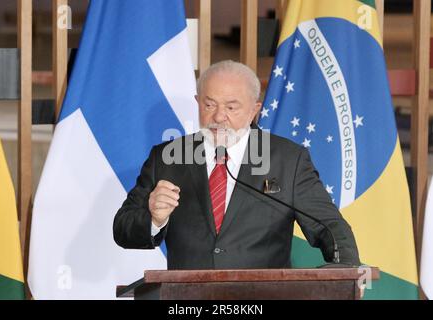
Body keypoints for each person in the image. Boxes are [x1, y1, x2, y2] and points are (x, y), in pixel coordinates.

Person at [113, 60, 360, 269]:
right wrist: (154, 218)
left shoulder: (288, 160)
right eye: (209, 105)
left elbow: (331, 228)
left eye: (231, 107)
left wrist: (347, 273)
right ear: (197, 102)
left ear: (255, 110)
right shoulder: (168, 157)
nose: (219, 117)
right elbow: (122, 229)